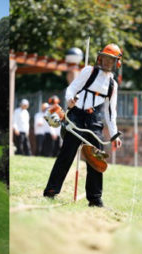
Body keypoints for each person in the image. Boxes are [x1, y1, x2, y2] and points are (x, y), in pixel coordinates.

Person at [43, 44, 123, 207]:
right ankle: (51, 190)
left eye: (111, 60)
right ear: (100, 58)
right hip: (77, 116)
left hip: (94, 121)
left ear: (117, 63)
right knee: (67, 154)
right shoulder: (89, 71)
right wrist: (70, 99)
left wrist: (114, 135)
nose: (108, 62)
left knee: (96, 157)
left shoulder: (113, 85)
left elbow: (110, 112)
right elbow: (72, 88)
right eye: (106, 58)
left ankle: (95, 199)